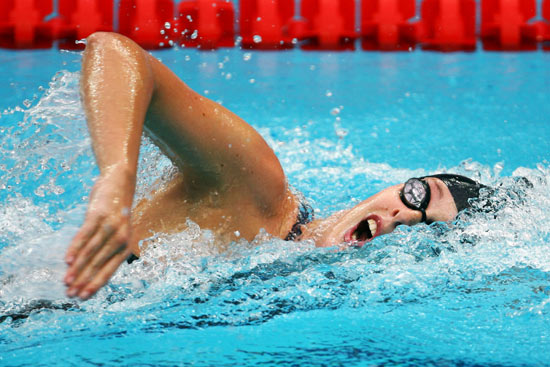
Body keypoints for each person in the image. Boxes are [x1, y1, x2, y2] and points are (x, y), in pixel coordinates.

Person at [63, 32, 486, 300]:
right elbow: (113, 51)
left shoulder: (297, 278)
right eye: (420, 195)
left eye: (429, 229)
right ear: (396, 185)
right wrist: (117, 175)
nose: (407, 216)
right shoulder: (258, 188)